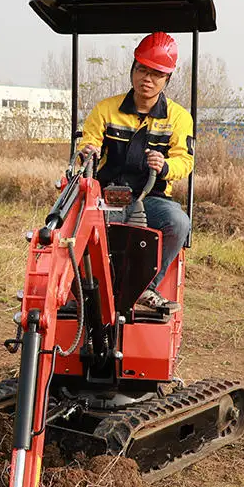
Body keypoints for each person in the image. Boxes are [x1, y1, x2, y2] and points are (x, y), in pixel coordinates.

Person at [78, 31, 193, 312]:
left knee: (178, 223)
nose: (147, 79)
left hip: (151, 199)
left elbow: (185, 161)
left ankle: (146, 288)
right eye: (142, 69)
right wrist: (88, 152)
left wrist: (165, 166)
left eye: (156, 73)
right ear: (133, 70)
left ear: (167, 79)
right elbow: (88, 143)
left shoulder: (178, 118)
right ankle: (81, 287)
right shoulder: (106, 109)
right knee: (74, 221)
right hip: (105, 197)